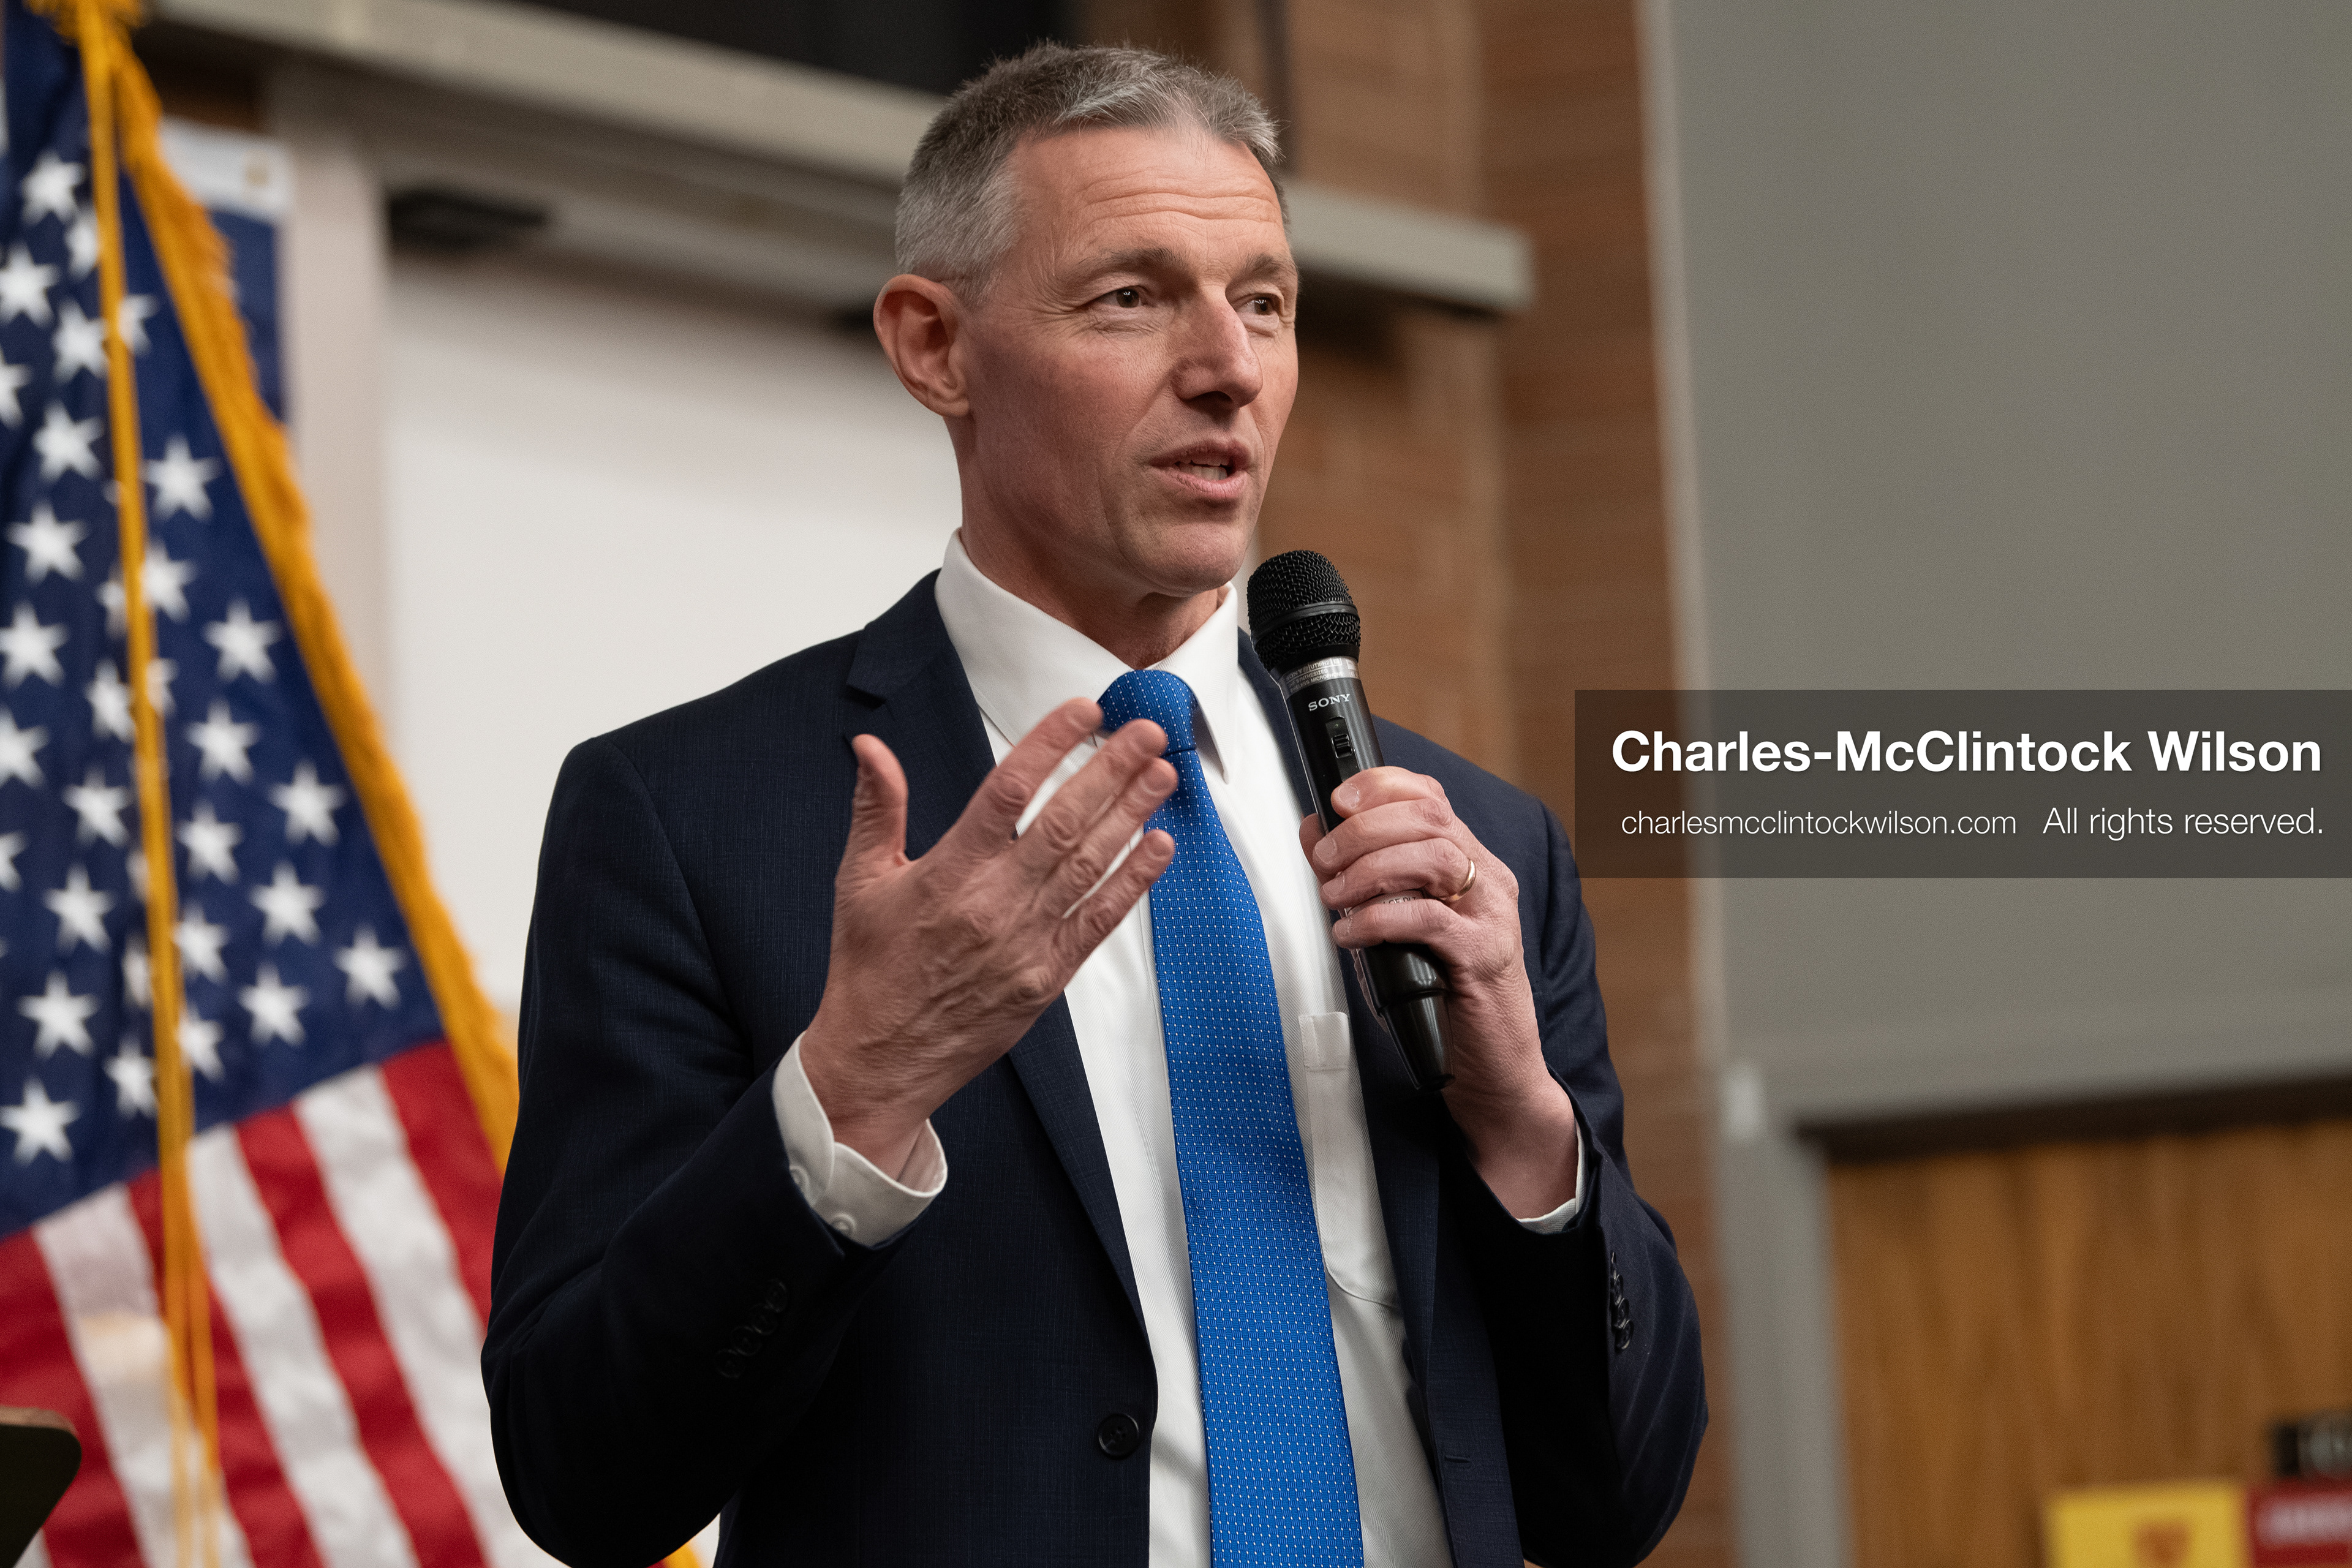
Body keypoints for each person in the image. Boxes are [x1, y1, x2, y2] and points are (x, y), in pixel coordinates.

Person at [484, 42, 1706, 1568]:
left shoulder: (1475, 843)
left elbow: (1621, 1491)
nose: (1230, 366)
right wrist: (853, 1093)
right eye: (1132, 297)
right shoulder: (687, 818)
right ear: (935, 345)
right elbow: (583, 1473)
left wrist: (1522, 1126)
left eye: (1264, 301)